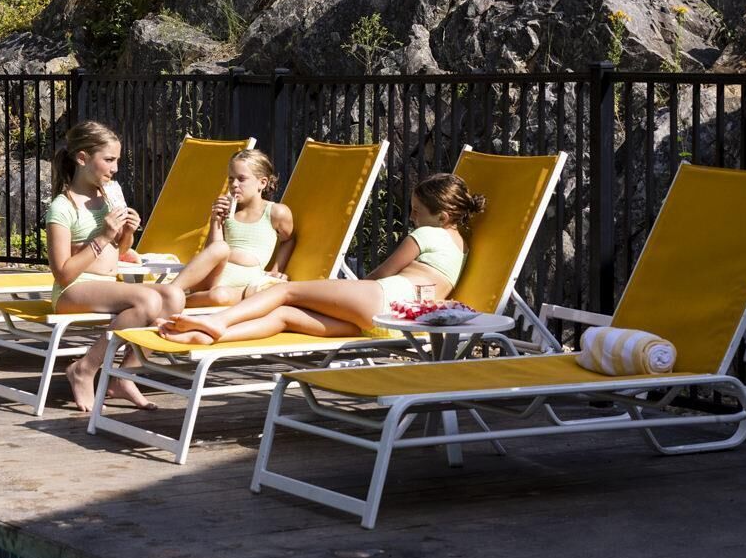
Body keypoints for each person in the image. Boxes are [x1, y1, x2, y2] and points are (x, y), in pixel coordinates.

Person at [159, 172, 484, 345]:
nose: (412, 218)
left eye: (416, 212)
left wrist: (341, 293)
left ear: (442, 216)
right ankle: (207, 337)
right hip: (398, 326)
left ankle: (217, 321)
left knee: (285, 292)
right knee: (285, 316)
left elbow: (384, 273)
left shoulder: (428, 234)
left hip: (383, 299)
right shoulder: (462, 247)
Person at [44, 120, 177, 411]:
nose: (115, 168)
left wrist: (127, 232)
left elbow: (121, 251)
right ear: (82, 158)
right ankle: (85, 369)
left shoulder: (108, 198)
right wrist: (103, 236)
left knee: (174, 298)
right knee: (147, 300)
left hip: (106, 284)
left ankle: (124, 376)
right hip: (72, 290)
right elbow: (62, 273)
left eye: (117, 159)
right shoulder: (63, 207)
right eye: (109, 160)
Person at [166, 148, 295, 305]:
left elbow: (288, 240)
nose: (234, 185)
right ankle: (169, 293)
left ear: (262, 183)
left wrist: (276, 271)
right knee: (220, 248)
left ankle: (177, 301)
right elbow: (211, 251)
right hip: (211, 275)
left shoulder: (276, 212)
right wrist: (215, 220)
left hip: (243, 280)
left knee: (219, 297)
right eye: (231, 179)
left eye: (241, 179)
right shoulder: (229, 211)